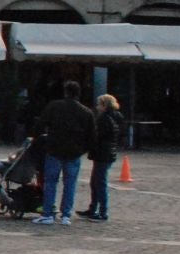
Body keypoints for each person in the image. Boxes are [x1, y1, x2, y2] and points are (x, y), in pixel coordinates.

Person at [33, 80, 96, 227]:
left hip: (54, 150)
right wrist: (82, 149)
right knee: (70, 184)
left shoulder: (54, 106)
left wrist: (40, 139)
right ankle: (66, 215)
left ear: (65, 92)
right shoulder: (86, 112)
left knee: (50, 182)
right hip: (74, 152)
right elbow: (92, 136)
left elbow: (40, 125)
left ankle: (48, 213)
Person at [83, 93, 124, 221]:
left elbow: (98, 136)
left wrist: (89, 144)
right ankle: (94, 208)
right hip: (108, 152)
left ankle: (101, 211)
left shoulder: (104, 118)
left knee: (99, 182)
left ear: (104, 105)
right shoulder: (117, 116)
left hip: (102, 153)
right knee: (97, 182)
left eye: (99, 104)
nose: (97, 106)